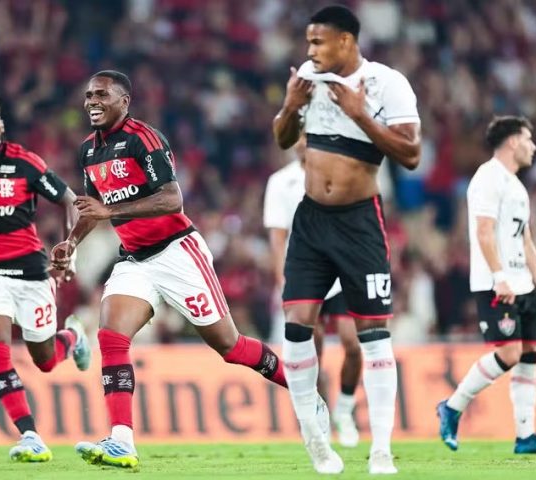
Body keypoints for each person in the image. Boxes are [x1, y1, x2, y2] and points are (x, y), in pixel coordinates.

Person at [51, 70, 321, 470]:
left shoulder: (144, 139)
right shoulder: (89, 151)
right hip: (136, 258)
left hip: (178, 252)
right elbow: (93, 208)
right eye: (89, 95)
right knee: (111, 335)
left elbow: (172, 199)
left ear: (124, 101)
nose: (92, 101)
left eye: (102, 95)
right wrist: (71, 242)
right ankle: (122, 441)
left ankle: (304, 390)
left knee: (230, 346)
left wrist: (111, 210)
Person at [273, 5, 422, 474]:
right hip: (311, 220)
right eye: (308, 42)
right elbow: (282, 140)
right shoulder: (308, 81)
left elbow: (411, 154)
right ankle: (314, 438)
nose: (310, 51)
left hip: (359, 222)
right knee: (296, 326)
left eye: (317, 42)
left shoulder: (387, 83)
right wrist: (290, 106)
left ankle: (381, 448)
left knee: (373, 334)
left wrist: (360, 115)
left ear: (345, 41)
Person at [0, 94, 91, 463]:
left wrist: (69, 248)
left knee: (44, 359)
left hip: (30, 273)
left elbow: (69, 201)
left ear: (1, 126)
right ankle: (30, 435)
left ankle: (72, 338)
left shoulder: (26, 164)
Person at [437, 116, 536, 455]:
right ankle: (452, 406)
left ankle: (526, 436)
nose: (533, 146)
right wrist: (499, 277)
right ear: (512, 141)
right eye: (528, 139)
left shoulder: (517, 186)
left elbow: (526, 241)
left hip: (523, 284)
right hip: (498, 283)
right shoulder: (487, 177)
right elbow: (483, 231)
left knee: (528, 356)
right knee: (509, 353)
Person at [264, 135, 361, 448]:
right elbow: (278, 237)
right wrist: (282, 279)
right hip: (304, 274)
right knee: (313, 348)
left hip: (341, 272)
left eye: (308, 136)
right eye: (299, 137)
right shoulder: (281, 182)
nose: (303, 143)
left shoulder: (336, 172)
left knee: (353, 343)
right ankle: (322, 415)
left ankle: (345, 408)